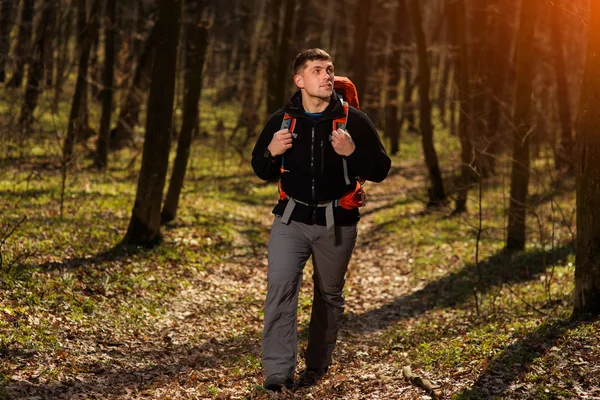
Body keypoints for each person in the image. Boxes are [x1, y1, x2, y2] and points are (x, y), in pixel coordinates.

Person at [251, 48, 391, 391]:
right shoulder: (281, 121)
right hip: (291, 219)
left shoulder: (354, 120)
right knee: (280, 289)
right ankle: (278, 370)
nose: (327, 76)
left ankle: (316, 362)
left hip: (338, 223)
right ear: (300, 80)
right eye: (317, 70)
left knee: (329, 295)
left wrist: (352, 153)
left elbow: (381, 169)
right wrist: (272, 151)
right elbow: (260, 168)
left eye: (329, 70)